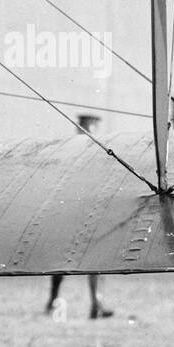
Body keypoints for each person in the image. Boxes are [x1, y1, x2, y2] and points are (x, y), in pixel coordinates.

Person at [45, 114, 113, 319]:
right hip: (72, 212)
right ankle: (53, 300)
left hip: (91, 211)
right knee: (62, 262)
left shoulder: (99, 153)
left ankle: (96, 303)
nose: (92, 131)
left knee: (96, 260)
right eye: (89, 126)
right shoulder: (71, 151)